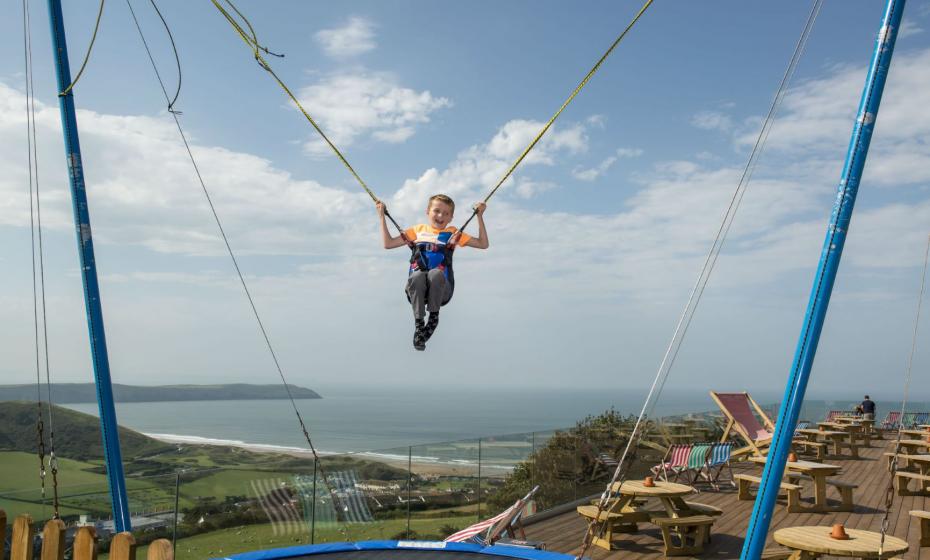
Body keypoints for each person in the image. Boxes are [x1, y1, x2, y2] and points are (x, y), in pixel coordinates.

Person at [377, 195, 489, 350]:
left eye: (446, 213)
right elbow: (388, 244)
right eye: (436, 211)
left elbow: (483, 244)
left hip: (442, 290)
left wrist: (479, 216)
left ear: (451, 217)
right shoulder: (417, 231)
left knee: (435, 274)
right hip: (418, 290)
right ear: (428, 212)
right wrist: (382, 216)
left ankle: (433, 318)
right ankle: (419, 324)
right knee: (417, 275)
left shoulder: (453, 234)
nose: (440, 216)